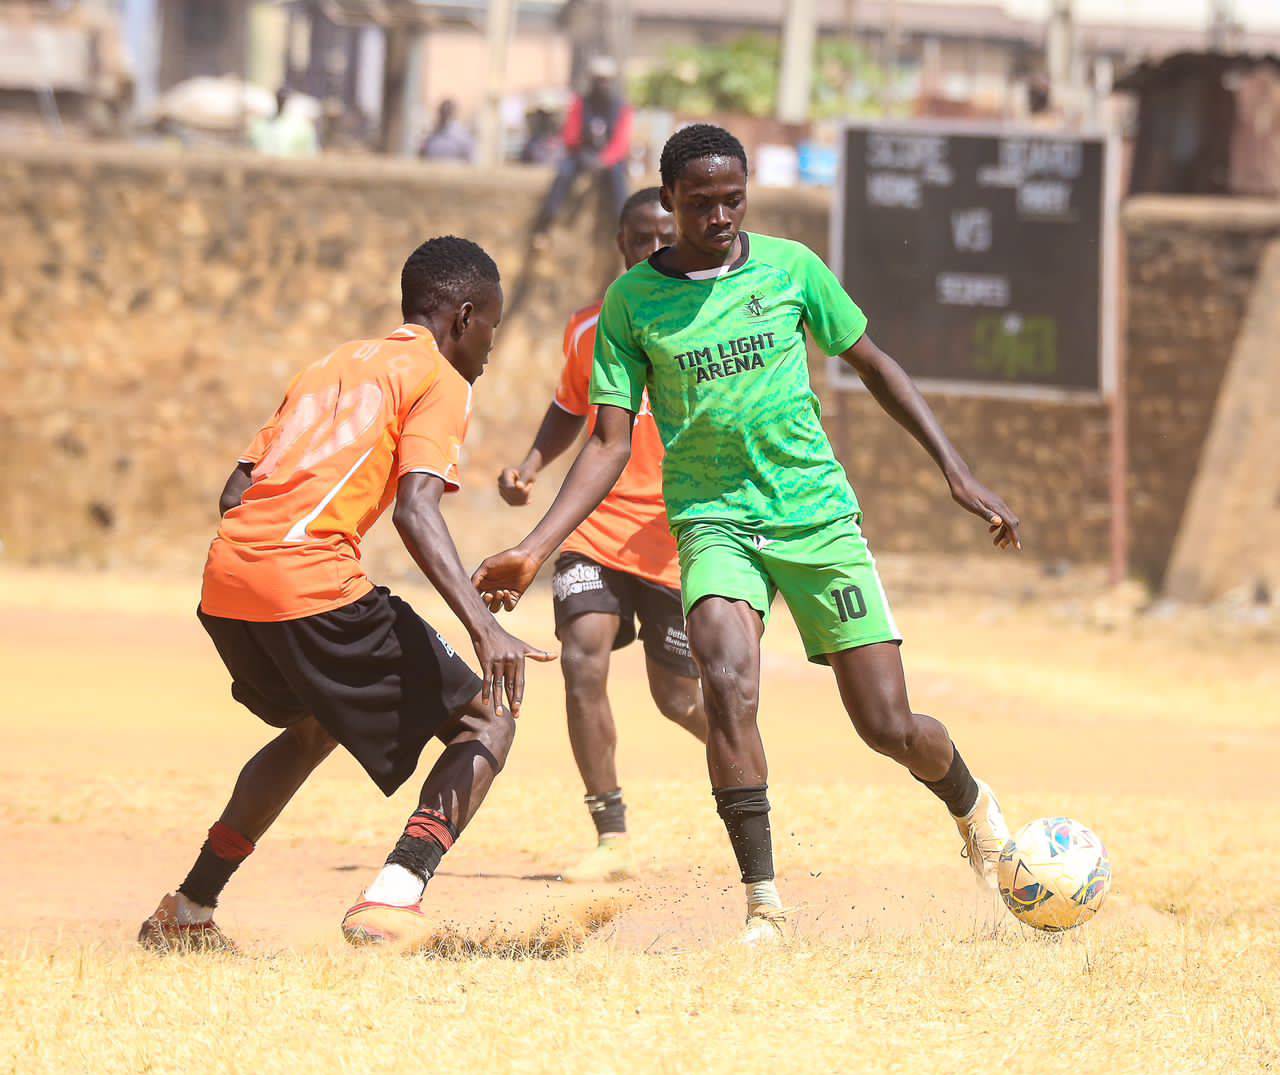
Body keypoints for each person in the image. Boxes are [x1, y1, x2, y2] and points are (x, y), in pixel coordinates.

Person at [473, 124, 1018, 945]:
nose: (721, 215)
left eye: (733, 198)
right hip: (712, 519)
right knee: (725, 685)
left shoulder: (792, 268)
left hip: (815, 516)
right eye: (701, 203)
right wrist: (535, 546)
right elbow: (610, 442)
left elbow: (874, 363)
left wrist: (957, 470)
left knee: (887, 726)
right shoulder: (632, 304)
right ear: (670, 203)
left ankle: (973, 806)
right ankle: (764, 905)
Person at [138, 236, 554, 953]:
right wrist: (486, 630)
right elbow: (416, 509)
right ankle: (394, 898)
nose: (490, 342)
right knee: (488, 719)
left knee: (309, 728)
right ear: (461, 315)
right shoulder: (440, 379)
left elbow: (235, 489)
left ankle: (189, 910)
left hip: (228, 582)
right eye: (491, 322)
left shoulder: (330, 364)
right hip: (307, 582)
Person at [499, 188, 708, 883]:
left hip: (674, 533)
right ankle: (611, 834)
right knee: (582, 658)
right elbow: (570, 406)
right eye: (638, 238)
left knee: (678, 700)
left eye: (662, 238)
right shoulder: (589, 326)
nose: (651, 250)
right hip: (596, 525)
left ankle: (748, 765)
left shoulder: (705, 320)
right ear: (620, 242)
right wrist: (531, 465)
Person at [532, 57, 633, 238]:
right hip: (582, 155)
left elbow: (621, 142)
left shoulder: (621, 108)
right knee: (564, 173)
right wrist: (583, 155)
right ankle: (545, 223)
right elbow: (570, 134)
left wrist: (604, 160)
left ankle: (623, 227)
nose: (602, 84)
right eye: (598, 79)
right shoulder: (580, 104)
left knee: (618, 179)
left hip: (610, 160)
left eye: (606, 80)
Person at [250, 87, 318, 158]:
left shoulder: (302, 127)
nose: (281, 101)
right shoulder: (260, 125)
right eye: (280, 98)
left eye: (283, 99)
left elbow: (310, 154)